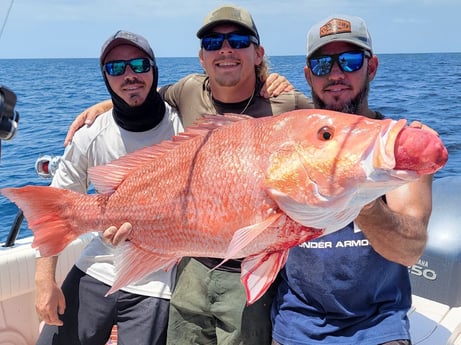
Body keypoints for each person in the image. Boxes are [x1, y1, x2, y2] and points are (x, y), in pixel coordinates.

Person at [72, 5, 313, 345]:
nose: (225, 50)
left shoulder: (287, 105)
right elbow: (141, 95)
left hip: (245, 273)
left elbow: (339, 132)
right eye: (214, 43)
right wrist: (105, 105)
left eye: (239, 40)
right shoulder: (187, 91)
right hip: (189, 267)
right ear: (202, 57)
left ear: (258, 53)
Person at [270, 15, 433, 345]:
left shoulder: (395, 146)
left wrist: (359, 195)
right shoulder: (282, 138)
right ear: (308, 76)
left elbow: (409, 251)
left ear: (371, 67)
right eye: (321, 64)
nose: (335, 74)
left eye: (349, 60)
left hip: (378, 324)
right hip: (298, 320)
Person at [35, 30, 182, 345]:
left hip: (158, 280)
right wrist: (44, 280)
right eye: (116, 69)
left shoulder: (183, 125)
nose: (129, 75)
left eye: (139, 65)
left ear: (154, 69)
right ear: (106, 78)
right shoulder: (91, 135)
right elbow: (54, 209)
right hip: (98, 265)